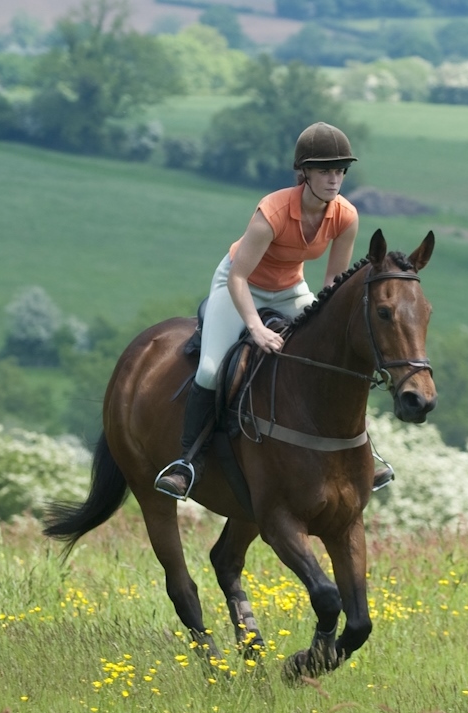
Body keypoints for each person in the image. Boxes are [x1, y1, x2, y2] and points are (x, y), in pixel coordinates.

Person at [155, 122, 391, 497]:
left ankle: (364, 453)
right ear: (305, 173)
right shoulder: (273, 211)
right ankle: (188, 463)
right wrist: (256, 327)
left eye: (340, 171)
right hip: (239, 286)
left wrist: (326, 321)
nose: (335, 179)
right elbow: (237, 278)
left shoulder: (346, 216)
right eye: (325, 171)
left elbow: (332, 282)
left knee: (332, 355)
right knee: (212, 369)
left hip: (289, 289)